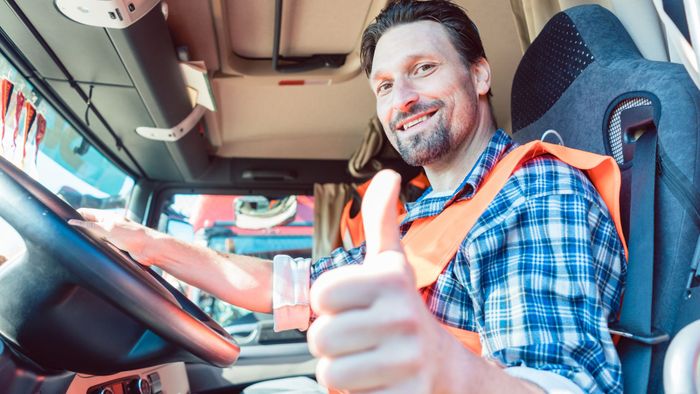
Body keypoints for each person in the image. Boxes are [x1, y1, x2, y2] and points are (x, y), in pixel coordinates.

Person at [70, 1, 626, 392]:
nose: (401, 99)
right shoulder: (421, 219)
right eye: (384, 85)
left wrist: (445, 373)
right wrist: (150, 245)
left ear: (479, 75)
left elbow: (562, 383)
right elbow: (282, 286)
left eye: (423, 70)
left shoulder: (532, 192)